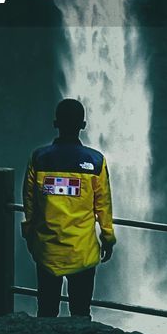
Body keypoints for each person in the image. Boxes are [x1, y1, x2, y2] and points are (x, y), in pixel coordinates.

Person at [21, 98, 116, 318]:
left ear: (56, 123)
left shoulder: (39, 158)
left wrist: (29, 235)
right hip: (82, 251)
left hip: (47, 249)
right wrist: (108, 238)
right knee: (81, 312)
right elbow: (103, 206)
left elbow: (29, 202)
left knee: (46, 311)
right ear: (83, 125)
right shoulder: (96, 161)